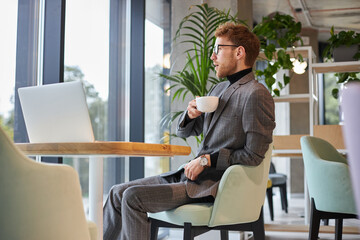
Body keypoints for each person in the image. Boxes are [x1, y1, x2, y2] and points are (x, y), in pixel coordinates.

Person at [103, 22, 275, 240]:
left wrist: (206, 160)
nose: (213, 57)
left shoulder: (256, 94)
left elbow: (254, 155)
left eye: (218, 49)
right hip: (189, 176)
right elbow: (186, 133)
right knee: (116, 192)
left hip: (211, 185)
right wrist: (190, 115)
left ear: (239, 52)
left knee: (132, 197)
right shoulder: (219, 89)